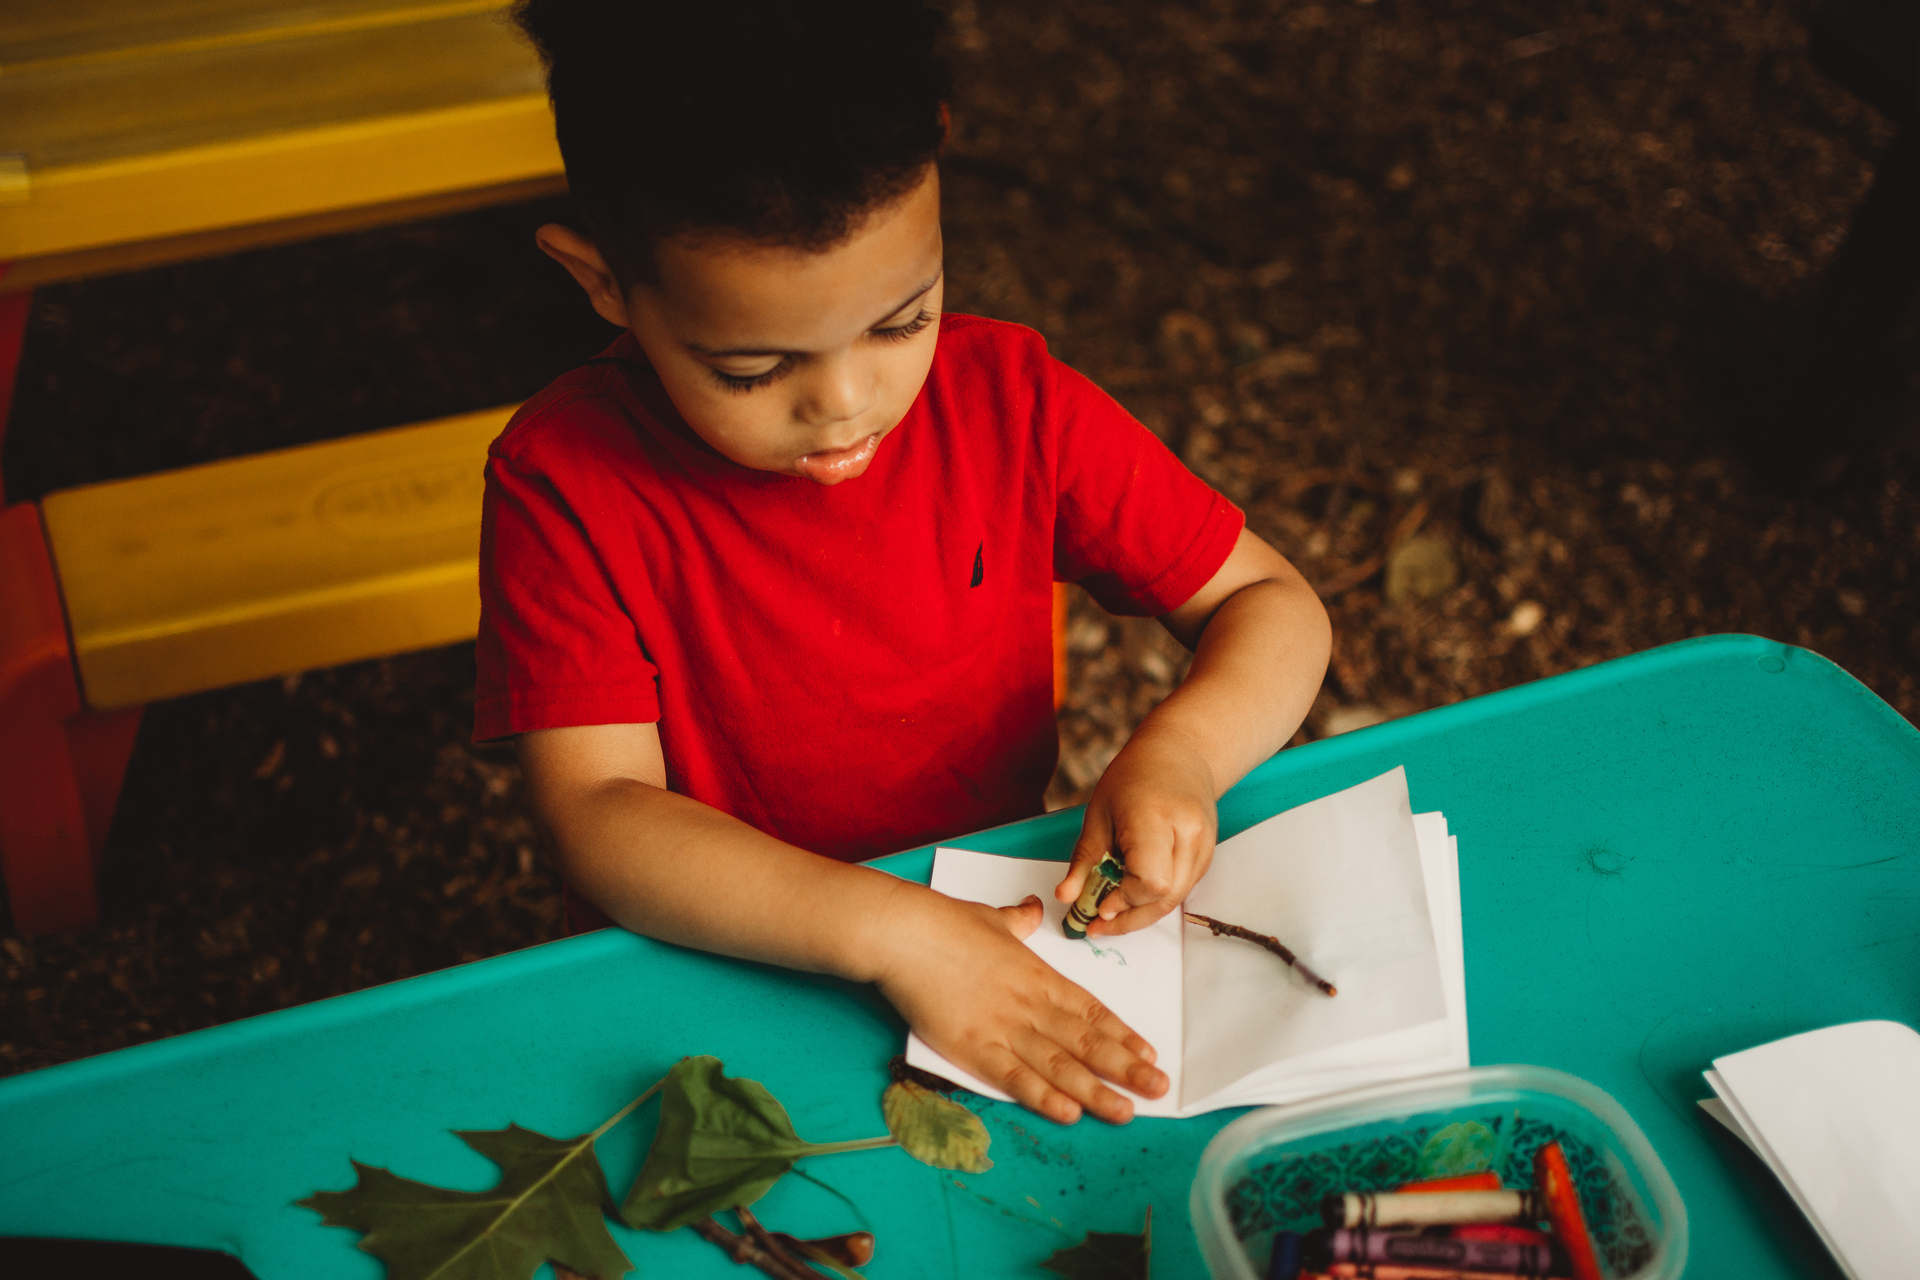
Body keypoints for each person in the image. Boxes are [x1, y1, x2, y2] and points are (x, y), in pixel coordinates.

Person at [478, 0, 1331, 1127]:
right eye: (751, 366)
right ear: (601, 283)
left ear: (938, 162)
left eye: (902, 318)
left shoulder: (1010, 404)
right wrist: (892, 932)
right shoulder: (566, 482)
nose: (844, 404)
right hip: (716, 964)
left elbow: (1271, 602)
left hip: (994, 926)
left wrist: (1184, 752)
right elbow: (596, 810)